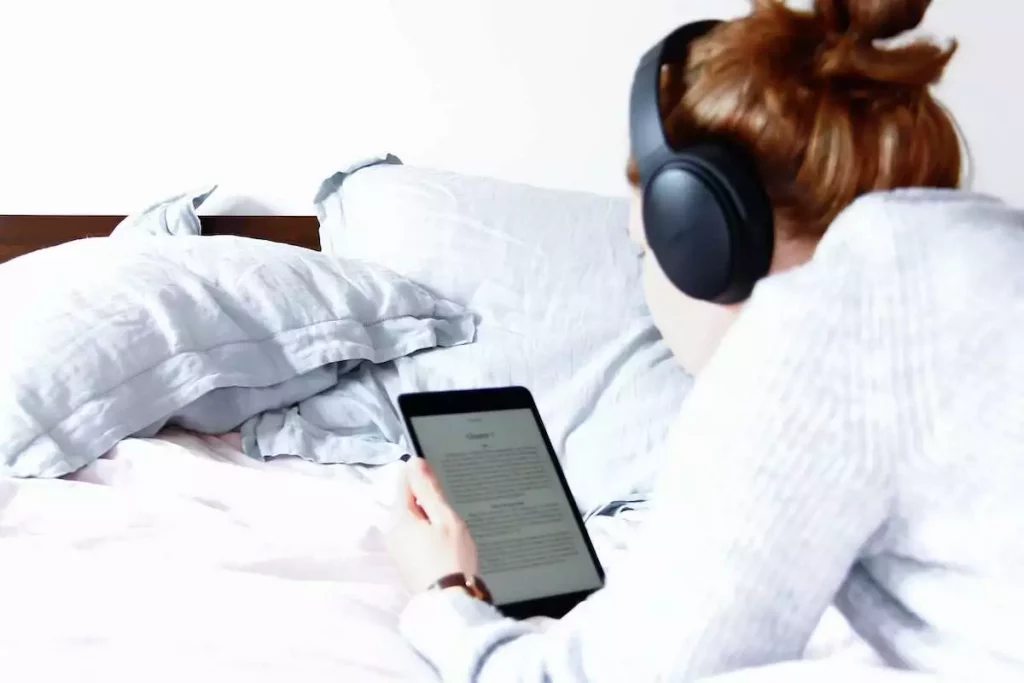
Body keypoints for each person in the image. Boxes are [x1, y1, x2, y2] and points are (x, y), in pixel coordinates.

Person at [384, 0, 1024, 680]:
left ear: (701, 234)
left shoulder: (816, 329)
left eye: (642, 252)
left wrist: (443, 592)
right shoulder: (986, 245)